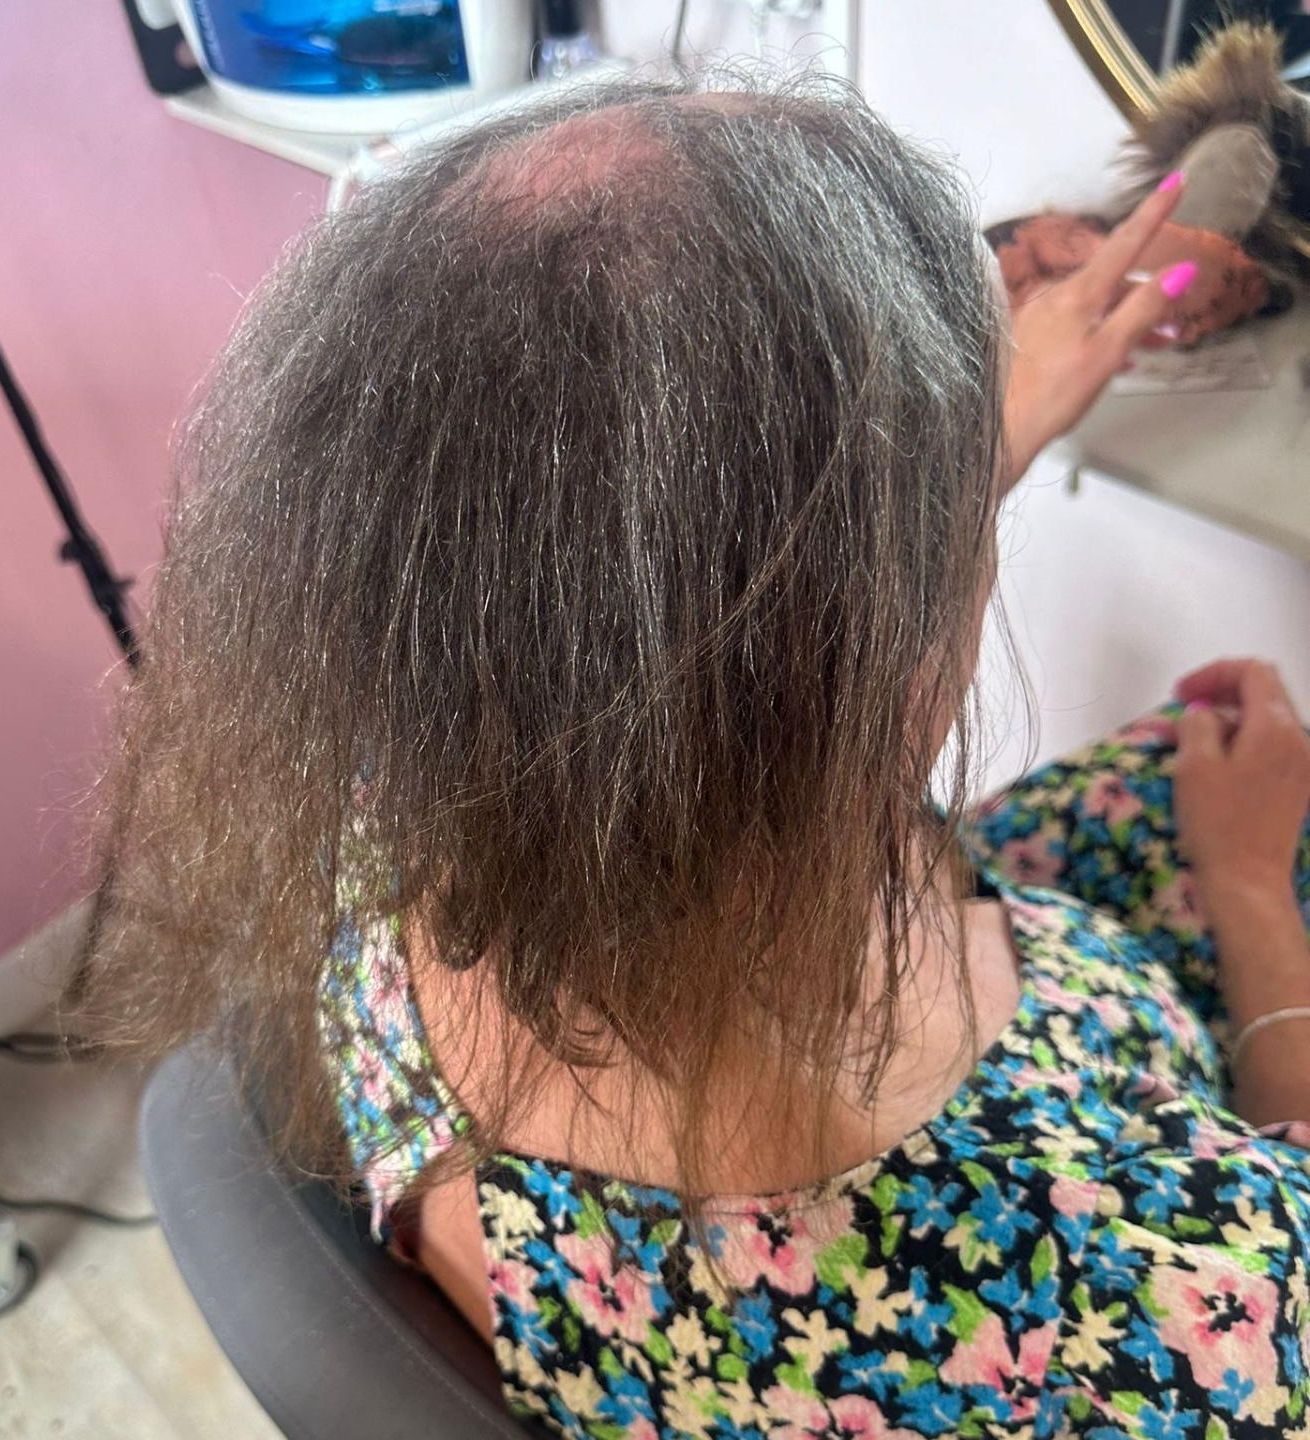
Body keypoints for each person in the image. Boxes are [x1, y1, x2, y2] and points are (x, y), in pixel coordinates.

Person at [77, 76, 1310, 1437]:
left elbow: (639, 630)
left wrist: (928, 461)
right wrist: (1251, 891)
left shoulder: (394, 810)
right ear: (875, 662)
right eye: (965, 521)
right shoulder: (1173, 1314)